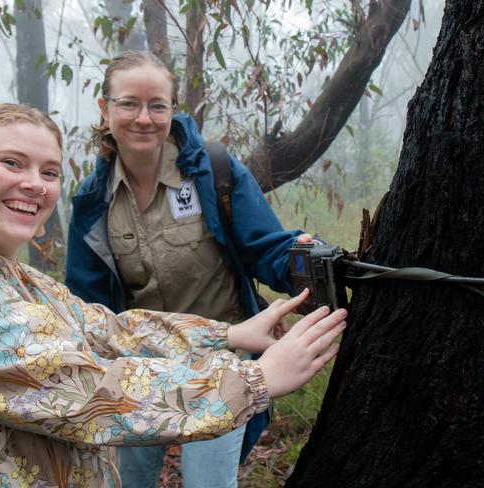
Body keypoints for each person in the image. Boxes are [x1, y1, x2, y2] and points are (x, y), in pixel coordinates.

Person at [0, 103, 346, 488]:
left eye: (49, 172)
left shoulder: (5, 275)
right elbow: (82, 389)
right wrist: (255, 380)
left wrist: (229, 333)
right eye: (12, 162)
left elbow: (105, 330)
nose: (34, 184)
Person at [65, 51, 318, 487]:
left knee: (209, 482)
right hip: (142, 370)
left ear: (172, 111)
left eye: (157, 105)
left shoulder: (210, 173)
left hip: (225, 359)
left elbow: (267, 247)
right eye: (129, 103)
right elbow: (89, 306)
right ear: (105, 110)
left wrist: (308, 261)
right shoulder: (94, 203)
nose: (144, 118)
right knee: (129, 481)